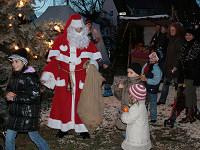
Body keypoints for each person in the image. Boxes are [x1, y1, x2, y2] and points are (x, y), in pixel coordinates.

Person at [40, 14, 102, 139]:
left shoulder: (87, 41)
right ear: (70, 28)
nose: (79, 30)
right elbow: (53, 61)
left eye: (80, 28)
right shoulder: (60, 39)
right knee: (63, 103)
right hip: (65, 76)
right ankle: (64, 128)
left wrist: (91, 66)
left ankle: (84, 128)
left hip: (82, 76)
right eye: (76, 28)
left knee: (83, 102)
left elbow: (95, 59)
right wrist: (49, 74)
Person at [5, 48, 50, 150]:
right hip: (15, 113)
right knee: (9, 138)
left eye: (17, 61)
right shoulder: (14, 75)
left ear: (24, 62)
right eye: (12, 62)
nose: (14, 64)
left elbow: (35, 96)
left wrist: (15, 98)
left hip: (28, 114)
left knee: (34, 137)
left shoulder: (30, 77)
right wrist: (8, 94)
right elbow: (9, 89)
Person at [157, 23, 184, 105]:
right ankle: (162, 100)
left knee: (177, 86)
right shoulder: (171, 40)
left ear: (177, 31)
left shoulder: (179, 40)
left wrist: (176, 65)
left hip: (175, 67)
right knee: (165, 84)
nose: (172, 32)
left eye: (173, 30)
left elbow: (180, 54)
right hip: (168, 66)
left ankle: (177, 102)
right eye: (171, 30)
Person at [178, 28, 200, 123]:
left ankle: (189, 115)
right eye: (186, 35)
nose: (187, 37)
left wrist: (197, 76)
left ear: (194, 36)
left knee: (187, 93)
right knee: (192, 92)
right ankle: (194, 112)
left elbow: (197, 62)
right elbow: (182, 60)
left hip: (193, 74)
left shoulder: (197, 46)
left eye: (190, 35)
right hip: (186, 73)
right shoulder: (185, 45)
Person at [121, 84, 152, 150]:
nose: (129, 96)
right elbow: (136, 115)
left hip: (136, 136)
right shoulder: (142, 106)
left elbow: (129, 119)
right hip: (142, 134)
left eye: (130, 95)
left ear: (134, 97)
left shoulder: (135, 108)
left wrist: (125, 113)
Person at [114, 63, 143, 134]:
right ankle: (127, 138)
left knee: (133, 127)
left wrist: (135, 105)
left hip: (133, 109)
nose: (128, 74)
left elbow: (142, 99)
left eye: (131, 73)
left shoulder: (139, 85)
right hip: (124, 108)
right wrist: (118, 88)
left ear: (137, 74)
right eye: (128, 72)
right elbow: (119, 96)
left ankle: (132, 140)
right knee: (125, 125)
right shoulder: (126, 83)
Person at [141, 51, 163, 124]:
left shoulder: (157, 70)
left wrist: (147, 80)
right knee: (144, 103)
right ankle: (144, 116)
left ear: (157, 59)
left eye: (154, 56)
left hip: (152, 89)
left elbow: (156, 81)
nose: (151, 57)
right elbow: (142, 71)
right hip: (145, 87)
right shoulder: (147, 65)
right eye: (151, 55)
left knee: (152, 104)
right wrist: (142, 76)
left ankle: (153, 118)